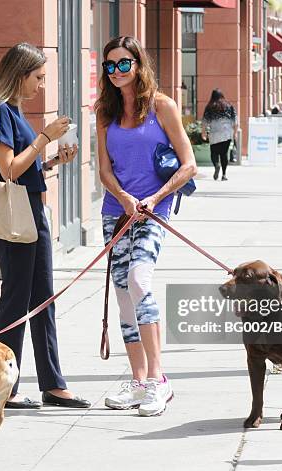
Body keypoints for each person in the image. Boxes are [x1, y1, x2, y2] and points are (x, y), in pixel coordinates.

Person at [0, 43, 90, 410]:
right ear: (20, 73)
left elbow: (22, 170)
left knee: (43, 300)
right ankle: (1, 385)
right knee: (16, 300)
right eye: (38, 77)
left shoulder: (13, 112)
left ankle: (52, 384)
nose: (40, 85)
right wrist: (44, 138)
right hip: (18, 216)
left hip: (32, 214)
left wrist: (52, 160)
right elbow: (7, 169)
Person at [95, 36, 196, 416]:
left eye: (124, 63)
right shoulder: (105, 112)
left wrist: (153, 199)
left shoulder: (161, 106)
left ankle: (158, 380)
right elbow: (104, 171)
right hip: (115, 211)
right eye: (111, 65)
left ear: (138, 64)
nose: (117, 71)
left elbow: (189, 165)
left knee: (139, 280)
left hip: (155, 211)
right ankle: (138, 382)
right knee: (123, 293)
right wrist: (123, 198)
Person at [201, 89, 238, 181]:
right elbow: (235, 120)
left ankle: (217, 165)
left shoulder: (210, 106)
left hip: (214, 133)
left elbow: (205, 121)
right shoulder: (229, 105)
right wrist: (235, 132)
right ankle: (224, 174)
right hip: (227, 133)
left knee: (214, 152)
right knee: (224, 154)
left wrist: (203, 132)